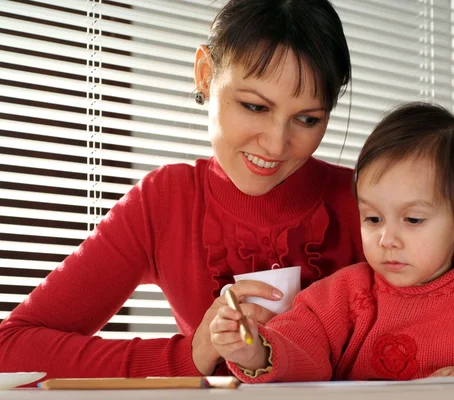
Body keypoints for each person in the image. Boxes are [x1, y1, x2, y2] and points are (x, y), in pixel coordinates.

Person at [0, 0, 364, 379]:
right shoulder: (165, 202)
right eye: (255, 107)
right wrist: (191, 354)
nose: (276, 145)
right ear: (205, 74)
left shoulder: (367, 203)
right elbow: (10, 348)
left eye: (307, 119)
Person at [211, 102, 454, 382]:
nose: (387, 239)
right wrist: (255, 350)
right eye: (373, 218)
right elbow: (299, 344)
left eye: (413, 219)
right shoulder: (344, 295)